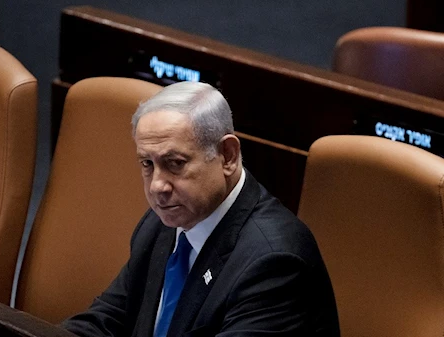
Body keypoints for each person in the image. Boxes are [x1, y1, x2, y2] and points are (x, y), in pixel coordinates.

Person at [62, 81, 340, 336]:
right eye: (147, 164)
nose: (158, 186)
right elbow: (107, 321)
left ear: (227, 156)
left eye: (175, 163)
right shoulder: (163, 223)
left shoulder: (273, 262)